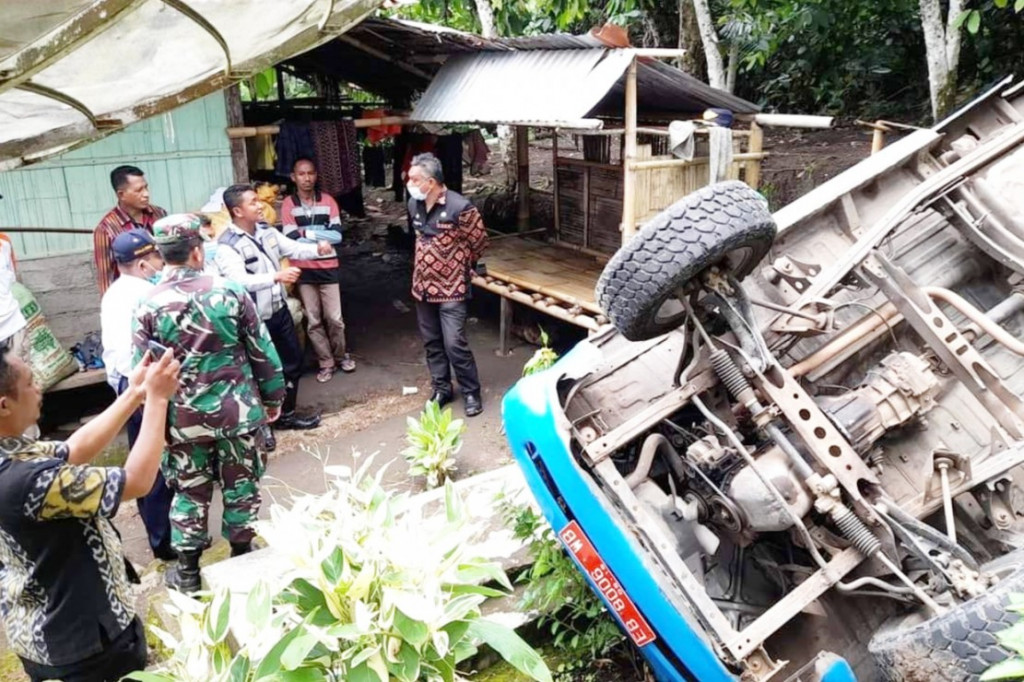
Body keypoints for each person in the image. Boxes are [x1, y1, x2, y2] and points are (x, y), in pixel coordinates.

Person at [0, 342, 180, 682]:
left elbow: (74, 449)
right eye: (29, 383)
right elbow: (137, 482)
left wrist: (136, 393)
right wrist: (158, 401)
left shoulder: (13, 454)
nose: (39, 387)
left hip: (42, 630)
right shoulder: (24, 480)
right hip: (85, 648)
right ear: (4, 406)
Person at [133, 214, 287, 593]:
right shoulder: (230, 291)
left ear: (162, 254)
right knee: (242, 486)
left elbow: (144, 374)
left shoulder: (146, 305)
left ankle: (187, 573)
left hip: (182, 421)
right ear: (198, 251)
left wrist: (155, 424)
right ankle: (242, 557)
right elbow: (262, 351)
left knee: (189, 492)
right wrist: (273, 398)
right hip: (238, 413)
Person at [216, 183, 332, 438]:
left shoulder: (266, 231)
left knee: (292, 363)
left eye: (258, 200)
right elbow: (239, 282)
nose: (260, 206)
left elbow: (292, 248)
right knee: (258, 371)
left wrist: (318, 249)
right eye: (253, 202)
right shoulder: (227, 245)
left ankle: (286, 414)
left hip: (279, 312)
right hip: (253, 319)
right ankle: (262, 426)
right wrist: (276, 276)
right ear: (237, 210)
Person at [99, 229, 176, 562]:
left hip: (124, 384)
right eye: (157, 258)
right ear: (144, 264)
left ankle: (156, 530)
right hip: (144, 384)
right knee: (158, 460)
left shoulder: (113, 292)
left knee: (142, 455)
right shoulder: (148, 293)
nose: (161, 262)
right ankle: (166, 543)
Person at [407, 152, 488, 417]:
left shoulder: (460, 207)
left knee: (454, 343)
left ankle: (471, 392)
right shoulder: (413, 204)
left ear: (430, 182)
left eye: (414, 179)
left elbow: (479, 242)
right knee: (432, 342)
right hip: (423, 288)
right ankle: (442, 388)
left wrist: (465, 265)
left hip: (453, 288)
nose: (409, 183)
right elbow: (419, 237)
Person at [280, 158, 356, 383]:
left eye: (310, 173)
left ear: (316, 175)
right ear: (293, 177)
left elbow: (337, 235)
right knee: (313, 319)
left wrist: (306, 233)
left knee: (335, 318)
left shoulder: (328, 201)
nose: (306, 178)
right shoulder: (288, 204)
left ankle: (341, 355)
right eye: (301, 174)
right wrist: (318, 237)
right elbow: (289, 236)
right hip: (302, 269)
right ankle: (326, 362)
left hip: (328, 266)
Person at [93, 165, 167, 295]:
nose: (146, 194)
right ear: (121, 194)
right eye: (138, 190)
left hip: (164, 290)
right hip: (134, 297)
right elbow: (106, 277)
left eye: (146, 187)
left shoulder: (159, 213)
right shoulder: (105, 229)